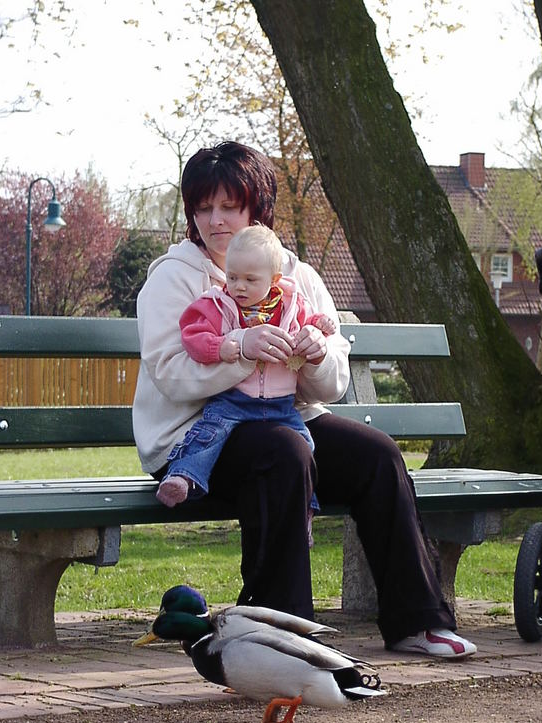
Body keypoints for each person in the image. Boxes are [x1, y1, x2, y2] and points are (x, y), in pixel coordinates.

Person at [133, 140, 476, 659]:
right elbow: (170, 376)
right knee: (283, 453)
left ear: (258, 208)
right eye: (204, 207)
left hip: (282, 423)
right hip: (192, 443)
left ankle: (418, 621)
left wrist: (315, 356)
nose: (216, 220)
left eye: (230, 206)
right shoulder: (174, 278)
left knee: (377, 455)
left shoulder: (299, 277)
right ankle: (282, 634)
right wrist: (241, 350)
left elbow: (331, 384)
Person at [156, 223, 336, 509]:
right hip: (234, 400)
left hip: (282, 405)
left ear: (274, 279)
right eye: (232, 276)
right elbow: (193, 335)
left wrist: (318, 329)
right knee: (209, 435)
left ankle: (306, 513)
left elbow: (306, 326)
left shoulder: (292, 305)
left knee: (306, 448)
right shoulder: (218, 304)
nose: (239, 286)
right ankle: (181, 477)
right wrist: (226, 346)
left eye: (250, 280)